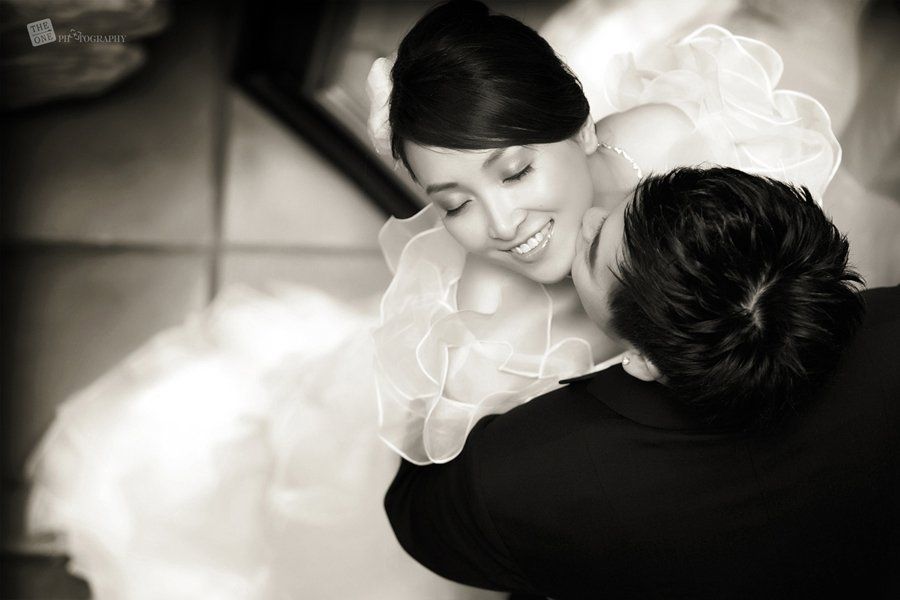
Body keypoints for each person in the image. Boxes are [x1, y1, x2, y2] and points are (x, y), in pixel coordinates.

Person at [24, 1, 843, 598]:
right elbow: (473, 481)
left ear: (585, 129)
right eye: (453, 203)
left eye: (516, 171)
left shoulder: (667, 137)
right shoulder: (483, 324)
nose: (501, 225)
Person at [385, 166, 899, 598]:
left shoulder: (523, 475)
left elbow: (418, 512)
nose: (587, 217)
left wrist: (464, 356)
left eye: (591, 249)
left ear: (644, 361)